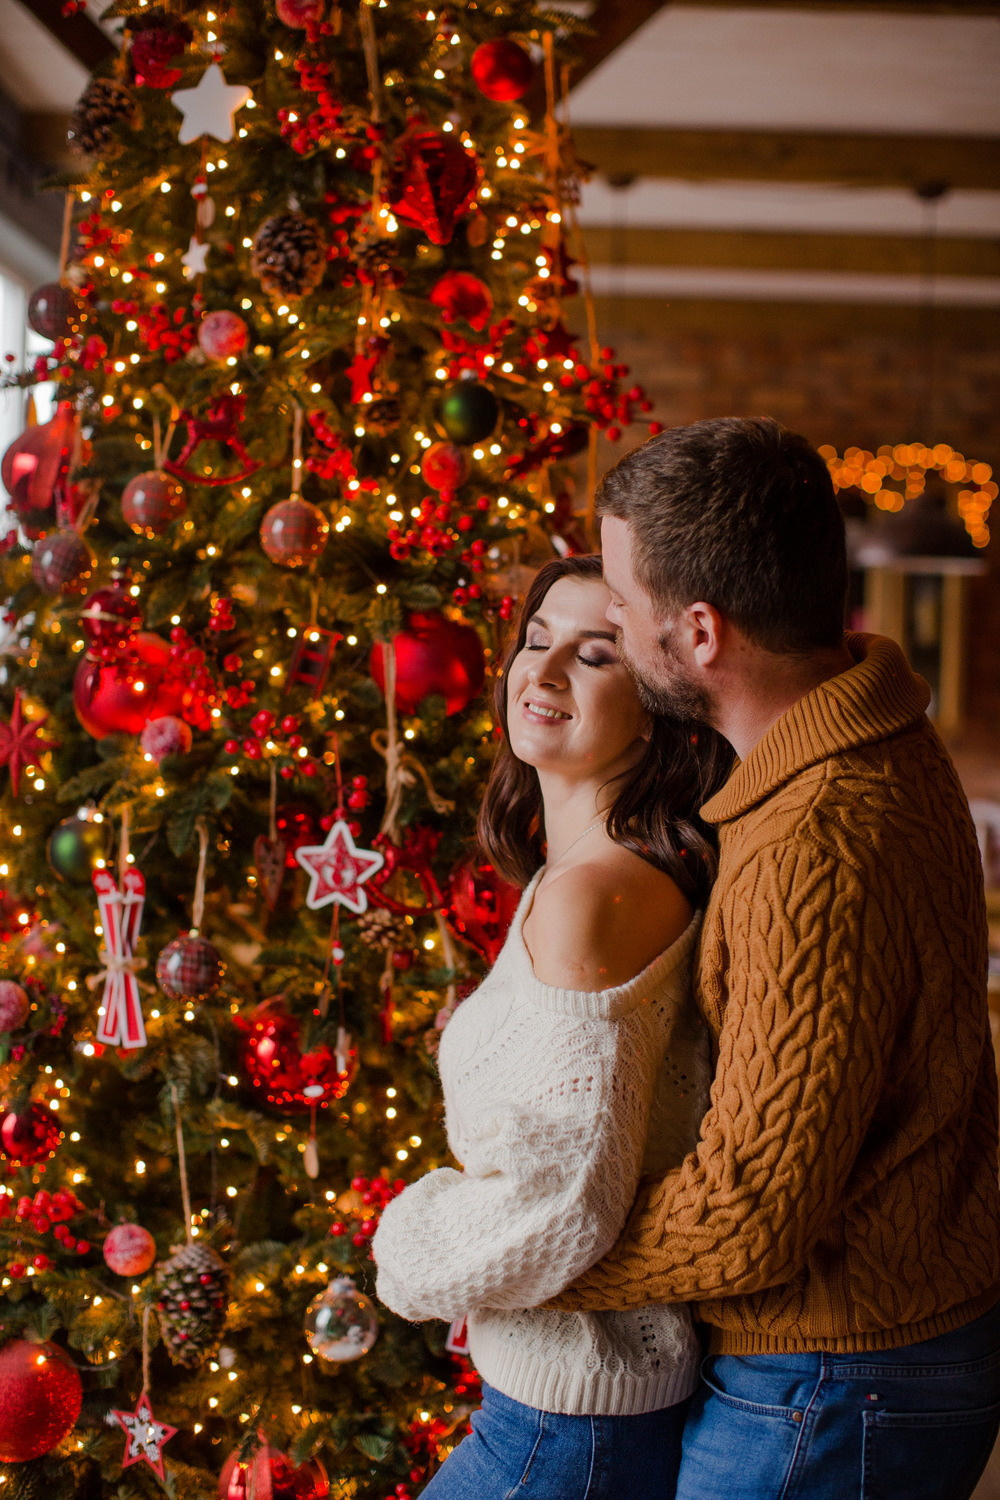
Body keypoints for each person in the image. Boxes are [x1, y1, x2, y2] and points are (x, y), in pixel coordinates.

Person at [546, 416, 1000, 1500]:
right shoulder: (859, 723)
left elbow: (748, 1220)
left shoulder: (820, 838)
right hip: (879, 1345)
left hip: (836, 1375)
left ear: (700, 631)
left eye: (620, 594)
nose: (608, 612)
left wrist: (530, 1262)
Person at [372, 553, 732, 1499]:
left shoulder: (596, 898)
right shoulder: (578, 875)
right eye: (536, 642)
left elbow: (566, 1203)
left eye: (596, 655)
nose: (543, 672)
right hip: (570, 1411)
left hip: (569, 1423)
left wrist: (406, 1250)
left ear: (658, 699)